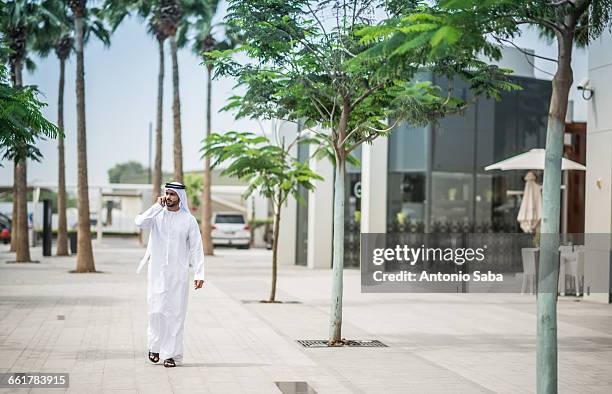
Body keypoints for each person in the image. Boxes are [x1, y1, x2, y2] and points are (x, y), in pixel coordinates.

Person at [134, 182, 205, 368]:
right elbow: (140, 222)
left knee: (175, 314)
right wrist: (156, 206)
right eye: (167, 193)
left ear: (180, 197)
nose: (169, 197)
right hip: (157, 272)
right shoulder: (156, 216)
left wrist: (199, 273)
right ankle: (154, 347)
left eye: (172, 194)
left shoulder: (189, 220)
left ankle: (171, 355)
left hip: (179, 274)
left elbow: (196, 248)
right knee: (156, 311)